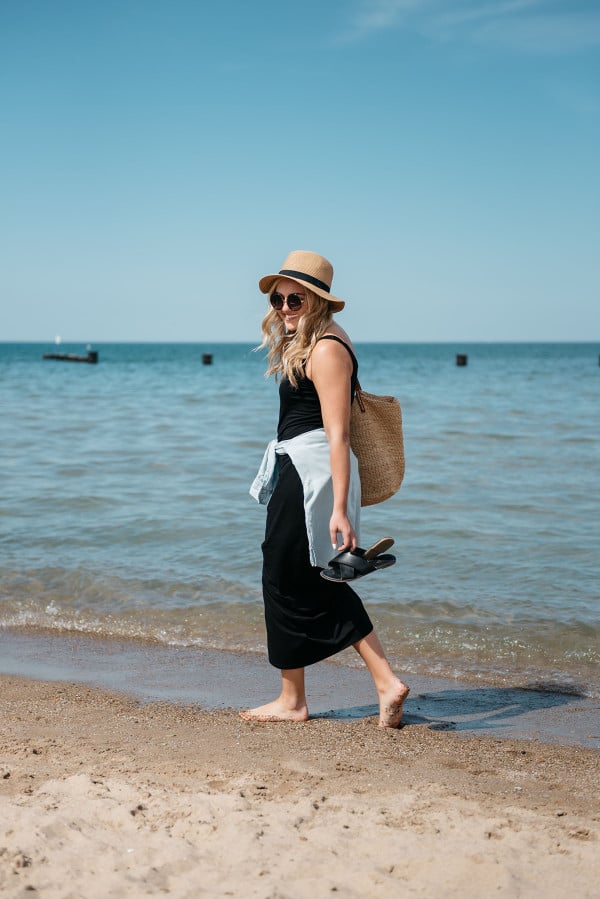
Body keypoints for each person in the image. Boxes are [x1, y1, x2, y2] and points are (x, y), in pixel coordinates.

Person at [241, 250, 409, 728]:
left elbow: (338, 434)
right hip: (300, 467)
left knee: (283, 571)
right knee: (303, 575)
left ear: (319, 302)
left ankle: (297, 700)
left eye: (295, 299)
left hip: (313, 474)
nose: (284, 308)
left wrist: (339, 508)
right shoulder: (315, 341)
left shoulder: (327, 349)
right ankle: (377, 684)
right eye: (278, 299)